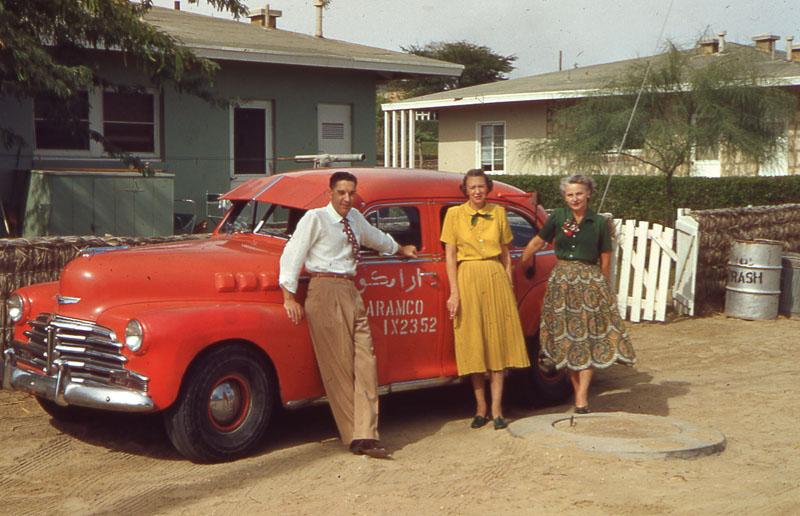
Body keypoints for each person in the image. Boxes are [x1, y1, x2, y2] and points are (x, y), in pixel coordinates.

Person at [279, 171, 418, 459]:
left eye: (351, 193)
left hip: (351, 291)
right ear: (330, 192)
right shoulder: (315, 218)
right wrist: (288, 296)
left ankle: (366, 432)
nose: (346, 198)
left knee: (366, 362)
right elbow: (293, 252)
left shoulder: (355, 218)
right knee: (339, 368)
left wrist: (400, 249)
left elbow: (376, 238)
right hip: (324, 288)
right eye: (341, 192)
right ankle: (356, 437)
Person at [521, 174, 635, 414]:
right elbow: (537, 242)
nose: (575, 198)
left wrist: (604, 287)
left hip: (589, 283)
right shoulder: (558, 218)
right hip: (562, 283)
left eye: (579, 193)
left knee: (588, 339)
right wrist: (521, 262)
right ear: (565, 196)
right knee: (568, 340)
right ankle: (578, 394)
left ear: (588, 194)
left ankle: (581, 397)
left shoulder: (599, 223)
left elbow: (605, 258)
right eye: (570, 194)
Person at [441, 169, 531, 430]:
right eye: (472, 187)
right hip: (467, 275)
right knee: (474, 342)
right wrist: (454, 292)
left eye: (481, 186)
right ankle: (480, 407)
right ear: (465, 190)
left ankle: (497, 409)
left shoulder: (499, 213)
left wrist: (509, 286)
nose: (477, 191)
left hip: (494, 278)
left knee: (497, 345)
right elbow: (450, 256)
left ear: (487, 188)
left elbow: (505, 254)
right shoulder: (454, 215)